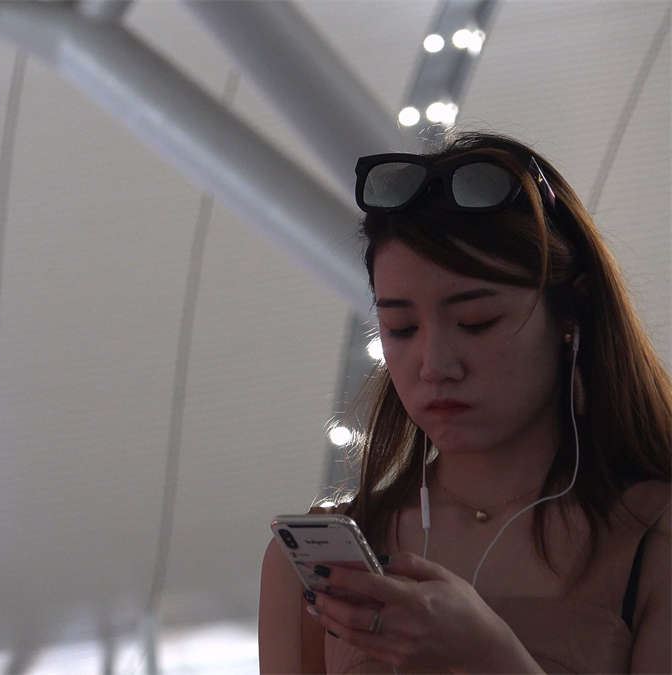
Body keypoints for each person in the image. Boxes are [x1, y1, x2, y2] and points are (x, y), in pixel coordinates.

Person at [258, 131, 671, 673]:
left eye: (477, 322)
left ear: (571, 314)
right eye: (401, 328)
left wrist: (490, 657)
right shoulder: (320, 565)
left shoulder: (652, 537)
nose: (435, 365)